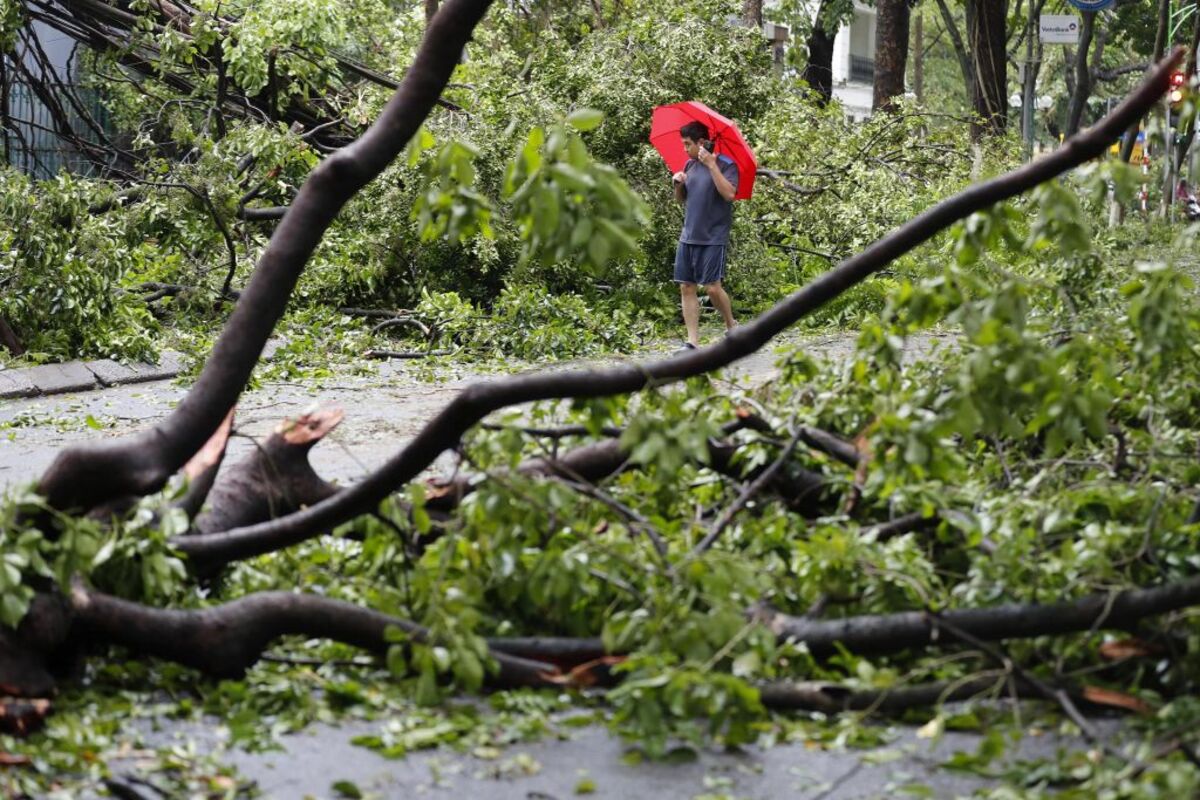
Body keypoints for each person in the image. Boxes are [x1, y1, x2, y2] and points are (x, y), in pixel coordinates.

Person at [671, 120, 738, 351]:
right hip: (688, 235)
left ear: (701, 143)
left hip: (713, 237)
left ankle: (731, 326)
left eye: (687, 144)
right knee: (686, 287)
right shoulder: (689, 166)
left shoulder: (727, 164)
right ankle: (692, 342)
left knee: (712, 288)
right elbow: (681, 200)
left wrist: (711, 165)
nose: (684, 148)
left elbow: (729, 194)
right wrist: (678, 184)